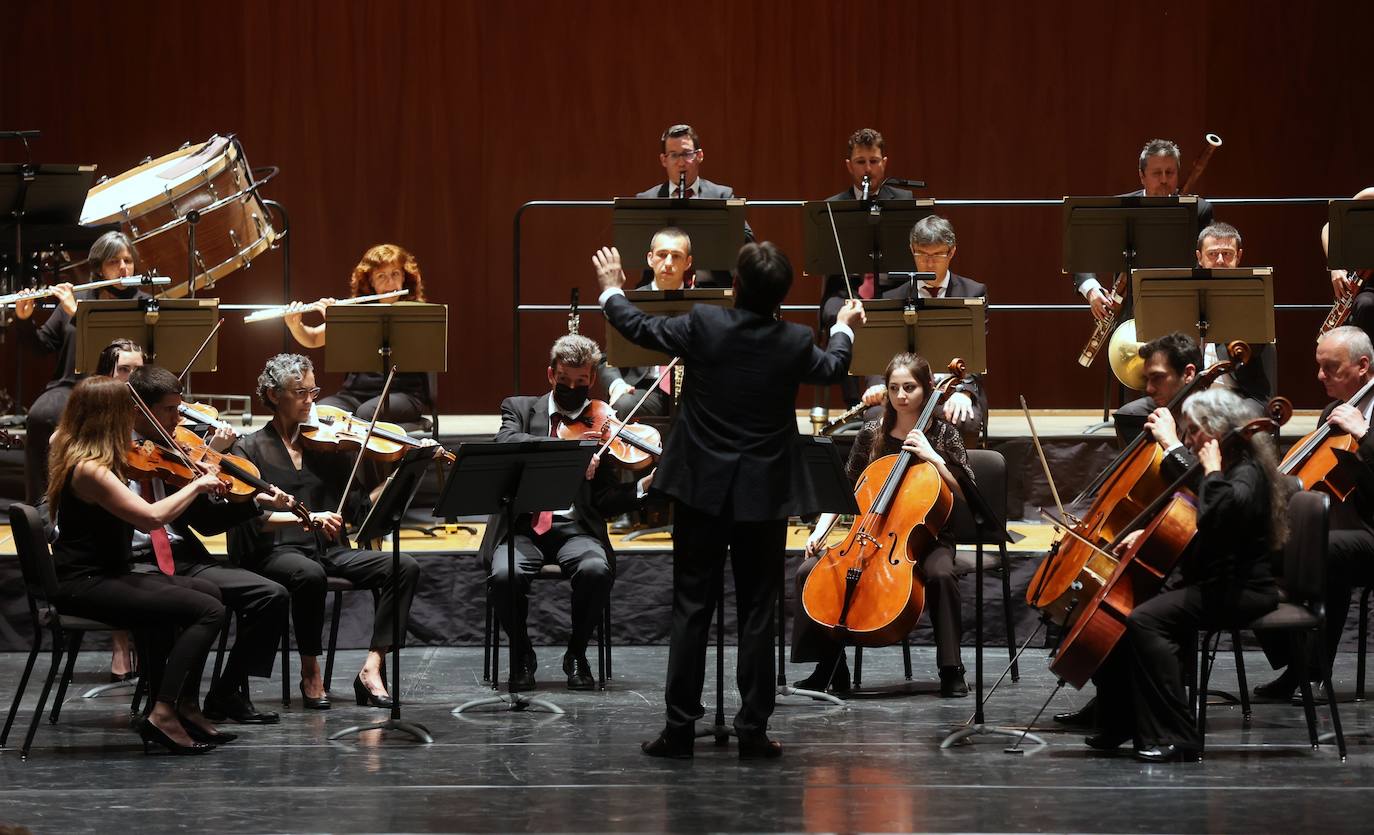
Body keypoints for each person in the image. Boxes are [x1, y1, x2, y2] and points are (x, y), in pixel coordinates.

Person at [595, 240, 866, 759]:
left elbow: (639, 329)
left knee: (691, 609)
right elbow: (833, 367)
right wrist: (845, 325)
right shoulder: (791, 340)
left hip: (700, 491)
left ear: (736, 287)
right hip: (762, 497)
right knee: (758, 613)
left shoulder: (704, 324)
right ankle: (753, 730)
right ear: (782, 296)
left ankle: (680, 729)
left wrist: (611, 290)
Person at [1086, 387, 1285, 762]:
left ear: (1216, 431)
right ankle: (1122, 720)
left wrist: (1210, 469)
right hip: (1215, 584)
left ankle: (1180, 735)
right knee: (1127, 607)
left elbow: (1216, 517)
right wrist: (1144, 537)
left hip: (1244, 591)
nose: (1189, 440)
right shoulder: (1230, 469)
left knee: (1145, 620)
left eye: (1194, 431)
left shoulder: (1248, 472)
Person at [45, 376, 228, 753]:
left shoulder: (93, 456)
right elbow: (148, 519)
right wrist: (196, 485)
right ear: (108, 416)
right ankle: (163, 711)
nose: (134, 418)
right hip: (85, 582)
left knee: (208, 590)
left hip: (106, 574)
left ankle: (184, 706)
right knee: (208, 609)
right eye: (126, 411)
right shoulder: (90, 469)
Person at [228, 354, 423, 710]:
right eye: (300, 392)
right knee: (307, 573)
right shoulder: (249, 447)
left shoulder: (328, 447)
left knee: (403, 565)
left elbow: (360, 511)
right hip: (274, 552)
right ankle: (311, 671)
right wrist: (306, 518)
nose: (310, 399)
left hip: (328, 550)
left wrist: (402, 474)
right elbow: (248, 517)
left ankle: (372, 667)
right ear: (273, 395)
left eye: (313, 390)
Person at [794, 352, 975, 697]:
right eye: (894, 388)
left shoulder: (943, 434)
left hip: (929, 536)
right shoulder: (872, 433)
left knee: (940, 574)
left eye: (910, 387)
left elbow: (966, 492)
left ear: (927, 389)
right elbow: (844, 491)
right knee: (808, 570)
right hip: (871, 535)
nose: (901, 395)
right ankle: (830, 667)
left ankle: (951, 667)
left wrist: (933, 457)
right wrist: (820, 531)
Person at [480, 334, 652, 690]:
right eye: (564, 380)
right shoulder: (519, 409)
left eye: (581, 382)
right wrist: (568, 451)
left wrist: (641, 489)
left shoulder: (602, 424)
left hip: (576, 530)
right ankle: (522, 652)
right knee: (504, 575)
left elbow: (603, 500)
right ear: (550, 374)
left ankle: (576, 652)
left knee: (594, 569)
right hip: (523, 528)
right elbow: (506, 442)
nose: (572, 387)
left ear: (592, 379)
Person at [128, 365, 294, 725]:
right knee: (203, 602)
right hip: (136, 561)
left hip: (181, 554)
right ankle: (174, 703)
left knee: (271, 595)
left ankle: (226, 692)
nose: (179, 418)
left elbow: (203, 522)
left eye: (179, 408)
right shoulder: (114, 450)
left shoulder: (176, 448)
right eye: (169, 411)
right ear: (141, 409)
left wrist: (253, 500)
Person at [1254, 326, 1374, 700]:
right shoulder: (1332, 412)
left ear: (1363, 366)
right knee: (1253, 547)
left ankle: (1304, 667)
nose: (1320, 376)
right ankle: (1299, 662)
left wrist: (1366, 435)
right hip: (1347, 525)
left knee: (1311, 550)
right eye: (1319, 366)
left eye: (1330, 367)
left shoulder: (1356, 418)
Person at [14, 230, 148, 504]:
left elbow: (116, 349)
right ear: (98, 268)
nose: (124, 268)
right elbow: (40, 346)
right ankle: (40, 506)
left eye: (128, 260)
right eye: (114, 262)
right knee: (41, 413)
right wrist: (23, 318)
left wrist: (79, 314)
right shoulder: (77, 299)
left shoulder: (143, 303)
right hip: (73, 385)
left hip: (123, 385)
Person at [850, 215, 989, 440]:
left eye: (937, 255)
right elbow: (879, 350)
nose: (929, 263)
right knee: (875, 419)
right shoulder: (892, 297)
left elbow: (975, 352)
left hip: (951, 390)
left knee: (963, 419)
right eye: (921, 254)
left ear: (952, 252)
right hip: (902, 392)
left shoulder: (973, 293)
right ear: (911, 249)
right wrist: (877, 385)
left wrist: (964, 392)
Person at [281, 243, 433, 425]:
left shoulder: (417, 314)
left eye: (395, 274)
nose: (390, 282)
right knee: (319, 411)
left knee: (366, 414)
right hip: (355, 395)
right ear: (370, 282)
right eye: (381, 276)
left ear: (404, 278)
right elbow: (313, 338)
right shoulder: (357, 311)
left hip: (403, 395)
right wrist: (295, 325)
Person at [1072, 139, 1216, 322]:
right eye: (1157, 173)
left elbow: (1209, 259)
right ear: (1142, 176)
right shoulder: (1120, 208)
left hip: (1182, 314)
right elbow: (1084, 249)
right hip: (1129, 316)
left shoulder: (1199, 210)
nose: (1164, 180)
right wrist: (1091, 289)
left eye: (1170, 173)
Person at [635, 124, 751, 287]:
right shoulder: (647, 199)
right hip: (660, 287)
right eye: (674, 155)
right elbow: (635, 250)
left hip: (711, 288)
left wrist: (711, 228)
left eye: (687, 154)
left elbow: (748, 242)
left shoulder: (721, 196)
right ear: (664, 160)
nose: (681, 163)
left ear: (700, 156)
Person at [818, 128, 916, 308]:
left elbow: (907, 258)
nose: (868, 169)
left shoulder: (904, 200)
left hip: (893, 289)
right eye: (860, 162)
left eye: (874, 161)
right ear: (849, 165)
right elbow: (828, 264)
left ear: (884, 163)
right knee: (833, 310)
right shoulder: (831, 206)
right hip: (845, 290)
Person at [1193, 221, 1276, 400]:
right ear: (1199, 257)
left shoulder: (1255, 294)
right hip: (1192, 396)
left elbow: (1254, 349)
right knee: (1132, 414)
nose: (1221, 260)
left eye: (1227, 254)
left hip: (1241, 397)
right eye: (1213, 254)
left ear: (1239, 256)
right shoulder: (1183, 296)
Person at [1111, 331, 1202, 446]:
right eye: (1147, 379)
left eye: (1157, 377)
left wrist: (1171, 444)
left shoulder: (1212, 425)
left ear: (1188, 374)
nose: (1149, 389)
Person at [1321, 186, 1374, 335]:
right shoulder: (1370, 195)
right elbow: (1329, 228)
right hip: (1368, 284)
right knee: (1365, 305)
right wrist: (1335, 266)